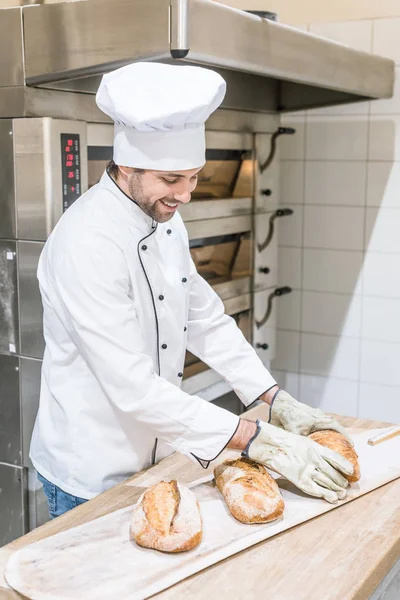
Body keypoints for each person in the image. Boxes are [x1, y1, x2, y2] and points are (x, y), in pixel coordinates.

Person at [30, 62, 353, 519]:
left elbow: (203, 317)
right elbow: (134, 388)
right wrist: (257, 439)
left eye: (194, 176)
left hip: (157, 458)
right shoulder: (87, 243)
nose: (185, 195)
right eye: (170, 180)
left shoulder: (165, 220)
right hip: (91, 471)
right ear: (126, 164)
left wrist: (273, 398)